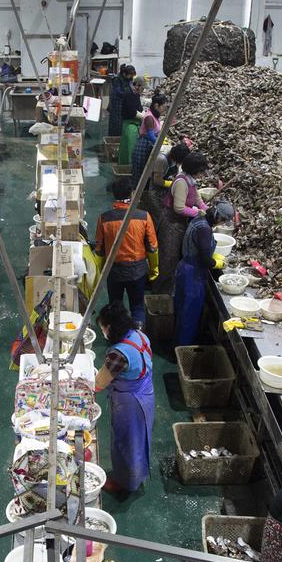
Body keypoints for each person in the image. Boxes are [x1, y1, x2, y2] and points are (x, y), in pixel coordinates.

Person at [94, 302, 154, 494]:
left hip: (129, 403)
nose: (102, 331)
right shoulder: (139, 335)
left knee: (126, 441)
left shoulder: (118, 354)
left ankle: (125, 483)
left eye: (103, 327)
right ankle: (135, 476)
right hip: (146, 394)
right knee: (139, 438)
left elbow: (99, 383)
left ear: (110, 328)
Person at [93, 178, 158, 327]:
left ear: (114, 195)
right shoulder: (144, 216)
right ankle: (137, 335)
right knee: (137, 306)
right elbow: (152, 247)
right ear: (132, 193)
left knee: (115, 307)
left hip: (114, 271)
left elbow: (99, 250)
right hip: (138, 272)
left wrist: (99, 274)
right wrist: (154, 269)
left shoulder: (104, 218)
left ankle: (116, 336)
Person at [173, 201, 233, 346]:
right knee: (189, 315)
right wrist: (217, 263)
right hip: (192, 276)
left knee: (181, 313)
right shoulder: (204, 229)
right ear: (218, 217)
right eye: (224, 221)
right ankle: (183, 350)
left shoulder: (199, 219)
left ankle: (176, 346)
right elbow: (205, 260)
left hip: (184, 269)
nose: (223, 224)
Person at [159, 149, 210, 297]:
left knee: (175, 257)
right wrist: (198, 213)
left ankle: (170, 290)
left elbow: (198, 199)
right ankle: (162, 293)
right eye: (201, 171)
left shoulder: (191, 181)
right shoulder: (181, 182)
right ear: (195, 170)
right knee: (169, 259)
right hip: (171, 224)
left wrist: (208, 211)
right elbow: (179, 208)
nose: (202, 174)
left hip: (180, 223)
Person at [130, 94, 168, 187]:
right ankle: (135, 196)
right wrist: (161, 144)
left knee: (145, 174)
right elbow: (151, 135)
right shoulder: (149, 117)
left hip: (149, 146)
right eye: (163, 106)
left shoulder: (155, 115)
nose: (164, 109)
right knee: (139, 175)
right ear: (156, 105)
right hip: (143, 147)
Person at [117, 76, 146, 166]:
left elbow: (138, 107)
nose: (143, 90)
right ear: (137, 85)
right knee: (129, 149)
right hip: (130, 126)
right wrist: (145, 117)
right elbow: (132, 111)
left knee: (128, 148)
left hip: (135, 123)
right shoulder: (128, 93)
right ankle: (127, 169)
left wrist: (143, 112)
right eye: (142, 88)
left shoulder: (135, 93)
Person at [107, 64, 136, 138]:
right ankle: (113, 137)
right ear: (124, 73)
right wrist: (127, 94)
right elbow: (117, 91)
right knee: (116, 121)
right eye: (130, 75)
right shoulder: (117, 79)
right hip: (116, 102)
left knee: (122, 120)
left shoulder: (128, 78)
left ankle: (120, 136)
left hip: (123, 101)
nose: (131, 77)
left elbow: (130, 85)